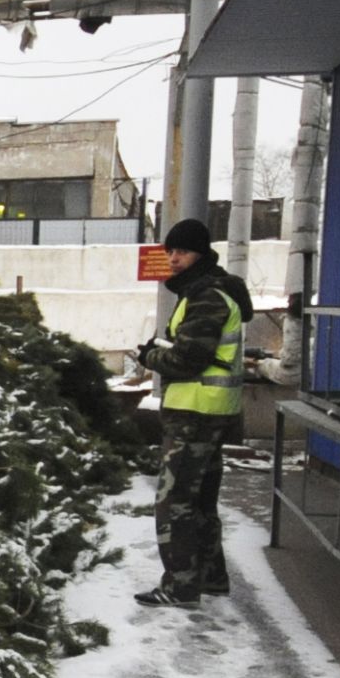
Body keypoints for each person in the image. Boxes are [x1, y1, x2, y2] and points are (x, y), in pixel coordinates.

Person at [135, 218, 254, 607]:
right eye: (170, 251)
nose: (173, 258)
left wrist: (150, 355)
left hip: (196, 411)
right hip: (211, 410)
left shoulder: (206, 295)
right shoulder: (209, 292)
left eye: (182, 251)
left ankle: (181, 585)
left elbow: (188, 359)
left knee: (175, 501)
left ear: (200, 253)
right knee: (200, 498)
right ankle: (211, 576)